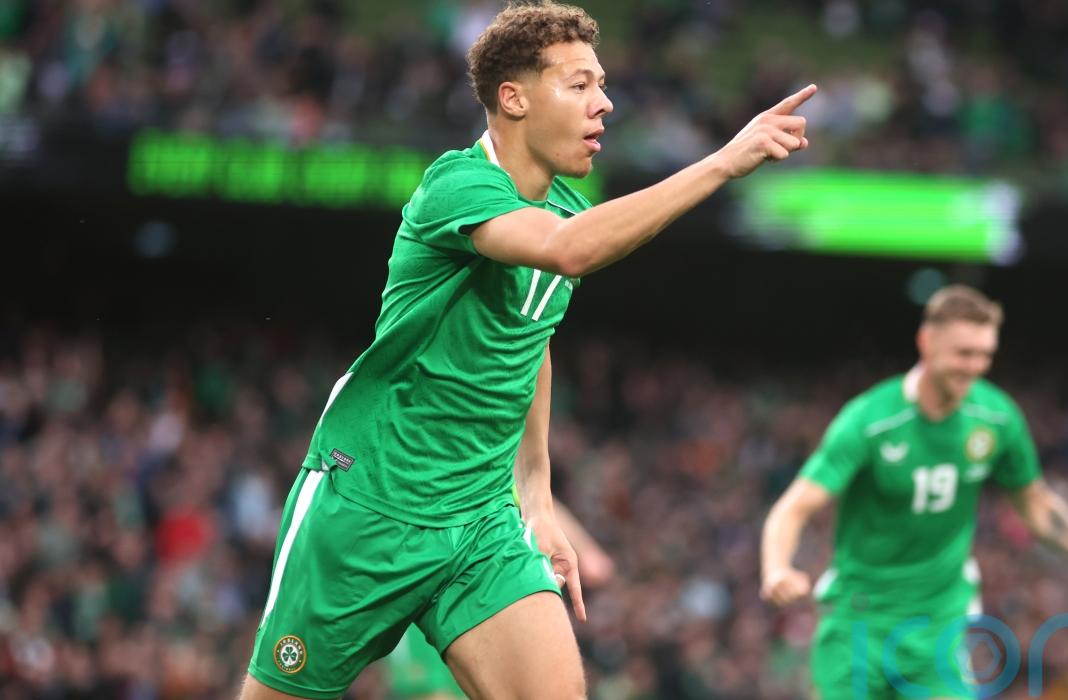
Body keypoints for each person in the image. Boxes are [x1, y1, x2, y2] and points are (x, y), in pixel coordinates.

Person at [240, 1, 817, 697]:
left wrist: (536, 495)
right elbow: (568, 252)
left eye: (602, 84)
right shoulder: (456, 185)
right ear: (513, 99)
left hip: (482, 520)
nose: (604, 102)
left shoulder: (569, 208)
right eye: (579, 84)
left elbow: (528, 338)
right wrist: (722, 162)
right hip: (370, 508)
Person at [759, 285, 1068, 700]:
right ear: (926, 342)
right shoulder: (870, 420)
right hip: (858, 621)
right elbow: (794, 507)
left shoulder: (996, 417)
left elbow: (1035, 503)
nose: (975, 366)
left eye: (985, 354)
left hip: (939, 625)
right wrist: (776, 568)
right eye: (964, 353)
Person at [386, 499, 615, 700]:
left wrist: (585, 548)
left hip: (483, 580)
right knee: (430, 690)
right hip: (421, 576)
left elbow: (529, 489)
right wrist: (586, 549)